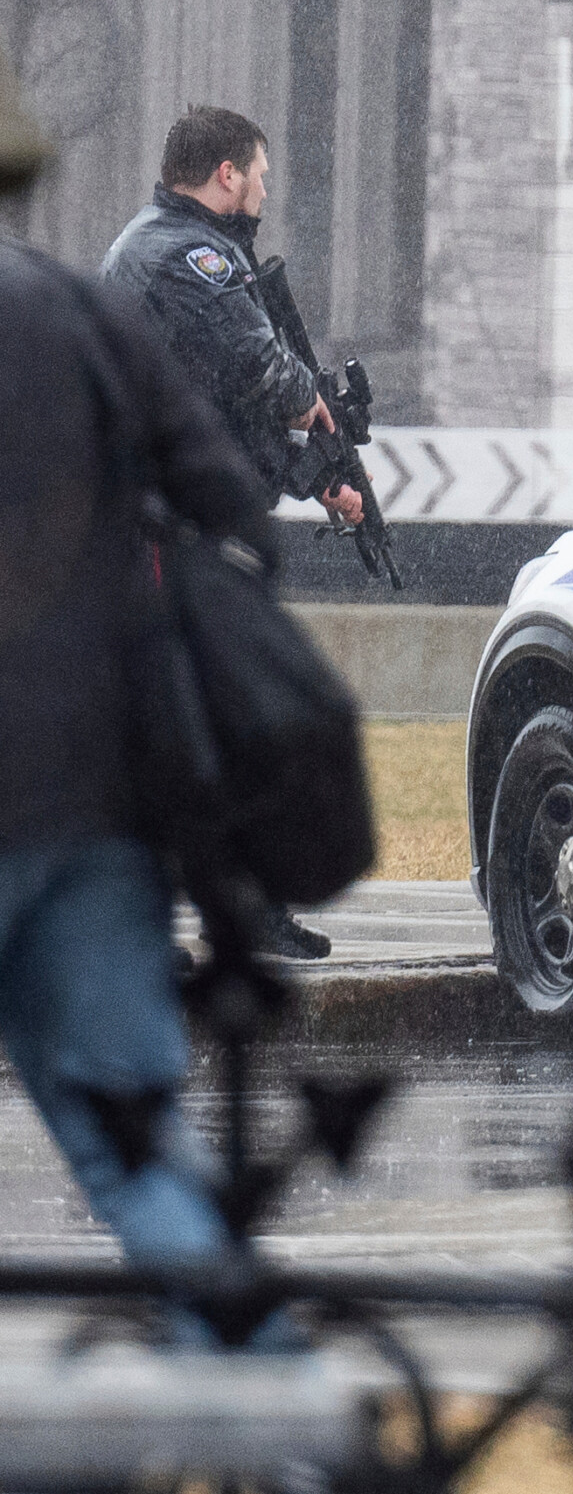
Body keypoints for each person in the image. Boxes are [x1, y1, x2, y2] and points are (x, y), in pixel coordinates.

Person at [0, 71, 281, 1290]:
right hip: (89, 793)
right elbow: (238, 514)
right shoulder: (85, 317)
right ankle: (265, 1416)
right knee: (138, 1155)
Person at [102, 106, 358, 961]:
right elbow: (260, 370)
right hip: (161, 538)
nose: (262, 194)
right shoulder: (190, 256)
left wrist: (316, 476)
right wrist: (311, 399)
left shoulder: (153, 245)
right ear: (225, 176)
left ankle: (207, 912)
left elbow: (216, 420)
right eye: (259, 177)